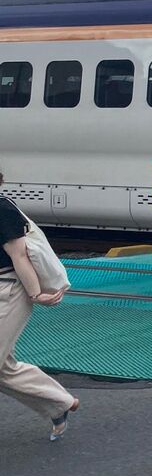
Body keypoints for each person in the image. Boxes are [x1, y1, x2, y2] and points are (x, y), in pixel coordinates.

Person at [0, 167, 80, 440]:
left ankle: (59, 404)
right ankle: (59, 404)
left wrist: (36, 295)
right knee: (3, 367)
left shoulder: (3, 209)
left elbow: (20, 255)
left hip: (9, 290)